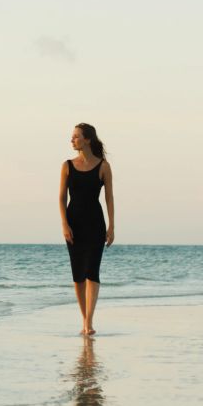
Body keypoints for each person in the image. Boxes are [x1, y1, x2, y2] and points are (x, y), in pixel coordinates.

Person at [59, 123, 115, 335]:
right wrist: (64, 224)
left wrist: (112, 225)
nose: (71, 140)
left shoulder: (103, 166)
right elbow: (62, 197)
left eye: (75, 137)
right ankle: (84, 319)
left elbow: (109, 197)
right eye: (72, 137)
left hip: (95, 224)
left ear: (87, 140)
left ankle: (88, 322)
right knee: (78, 274)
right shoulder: (67, 165)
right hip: (74, 224)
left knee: (92, 271)